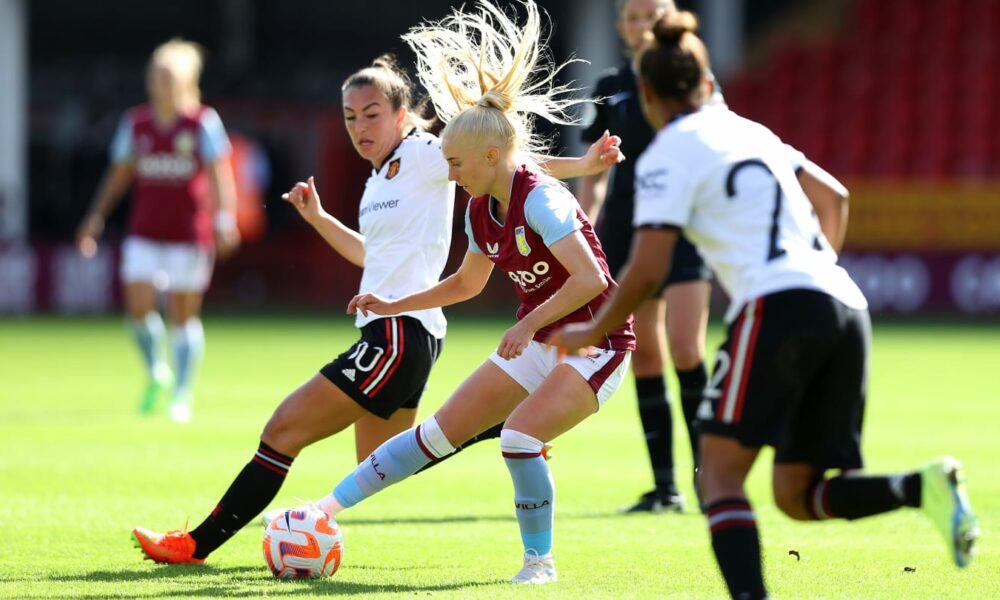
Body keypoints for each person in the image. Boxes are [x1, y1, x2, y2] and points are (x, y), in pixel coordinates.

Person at [130, 50, 623, 565]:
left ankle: (196, 544)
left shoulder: (427, 154)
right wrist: (319, 218)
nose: (359, 126)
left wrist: (584, 166)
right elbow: (373, 255)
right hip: (397, 326)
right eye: (349, 117)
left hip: (399, 335)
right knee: (388, 457)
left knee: (283, 429)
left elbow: (503, 159)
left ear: (402, 116)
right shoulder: (378, 180)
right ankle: (502, 426)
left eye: (371, 114)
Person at [551, 12, 980, 598]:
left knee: (721, 476)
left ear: (645, 94)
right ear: (706, 84)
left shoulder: (666, 155)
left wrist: (592, 328)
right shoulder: (752, 131)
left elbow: (647, 266)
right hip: (846, 304)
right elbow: (836, 196)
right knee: (796, 496)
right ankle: (920, 487)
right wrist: (817, 266)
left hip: (779, 305)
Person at [289, 0, 635, 585]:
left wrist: (526, 325)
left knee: (521, 438)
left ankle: (539, 564)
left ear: (492, 156)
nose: (448, 173)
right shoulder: (480, 209)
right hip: (542, 337)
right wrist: (394, 302)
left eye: (454, 162)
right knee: (434, 435)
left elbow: (593, 281)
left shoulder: (542, 199)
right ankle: (320, 512)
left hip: (596, 344)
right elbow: (466, 284)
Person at [578, 0, 710, 513]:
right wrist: (586, 215)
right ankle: (665, 488)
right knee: (647, 356)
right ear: (621, 28)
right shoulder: (610, 85)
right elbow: (596, 163)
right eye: (633, 17)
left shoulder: (689, 78)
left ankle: (707, 482)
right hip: (628, 229)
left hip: (683, 229)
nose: (643, 24)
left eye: (651, 14)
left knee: (686, 348)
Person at [76, 39, 241, 423]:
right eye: (156, 76)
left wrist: (224, 219)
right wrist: (95, 217)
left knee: (183, 316)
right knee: (137, 308)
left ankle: (182, 393)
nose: (160, 83)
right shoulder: (135, 123)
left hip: (188, 234)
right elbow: (118, 175)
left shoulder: (202, 122)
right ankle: (156, 370)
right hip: (144, 231)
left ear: (185, 81)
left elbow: (220, 173)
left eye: (168, 77)